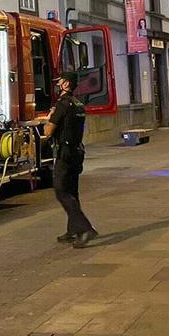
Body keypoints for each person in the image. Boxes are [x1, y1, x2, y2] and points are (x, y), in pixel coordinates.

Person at [44, 72, 97, 248]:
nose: (57, 84)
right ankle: (73, 230)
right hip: (77, 152)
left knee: (61, 191)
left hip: (64, 153)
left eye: (59, 81)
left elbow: (48, 132)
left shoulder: (62, 104)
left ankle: (85, 229)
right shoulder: (78, 104)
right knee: (72, 192)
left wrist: (49, 118)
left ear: (66, 84)